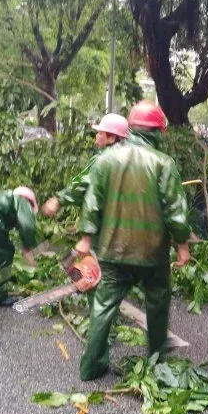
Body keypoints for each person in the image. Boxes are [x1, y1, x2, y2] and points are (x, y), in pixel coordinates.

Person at [75, 101, 191, 381]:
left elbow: (92, 202)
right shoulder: (164, 164)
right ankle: (155, 363)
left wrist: (86, 239)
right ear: (156, 132)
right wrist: (183, 246)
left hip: (112, 251)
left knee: (103, 308)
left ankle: (91, 367)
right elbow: (176, 210)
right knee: (157, 304)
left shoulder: (105, 160)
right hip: (153, 255)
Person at [41, 114, 129, 218]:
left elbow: (83, 183)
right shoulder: (130, 160)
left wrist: (58, 200)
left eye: (100, 133)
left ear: (112, 138)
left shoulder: (103, 160)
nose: (96, 135)